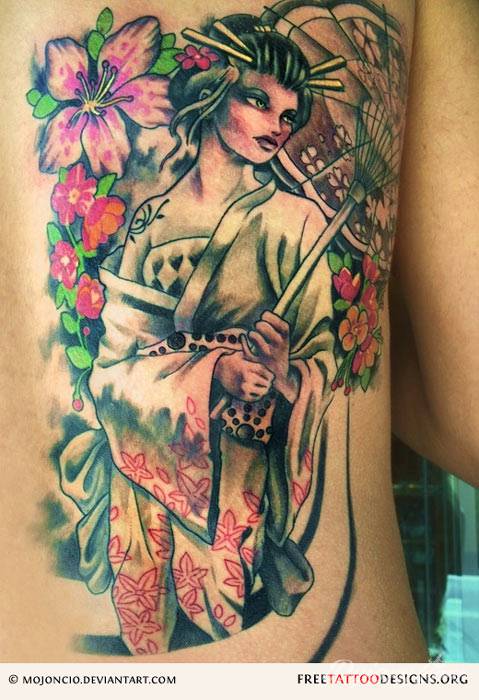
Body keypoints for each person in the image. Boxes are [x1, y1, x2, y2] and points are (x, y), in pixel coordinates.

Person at [61, 13, 345, 655]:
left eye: (290, 115)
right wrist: (213, 371)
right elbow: (113, 364)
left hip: (237, 466)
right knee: (147, 634)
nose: (278, 125)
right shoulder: (149, 222)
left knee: (220, 626)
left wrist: (286, 371)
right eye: (258, 100)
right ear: (214, 90)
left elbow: (322, 364)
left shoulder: (299, 222)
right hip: (143, 460)